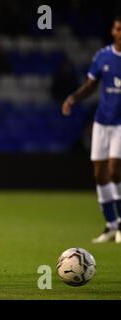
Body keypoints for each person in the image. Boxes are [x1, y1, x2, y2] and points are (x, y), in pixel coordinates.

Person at [62, 16, 121, 244]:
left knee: (115, 169)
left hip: (120, 125)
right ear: (113, 31)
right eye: (118, 28)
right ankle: (110, 225)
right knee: (99, 173)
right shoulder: (103, 56)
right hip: (101, 122)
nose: (120, 32)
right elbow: (90, 86)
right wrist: (73, 98)